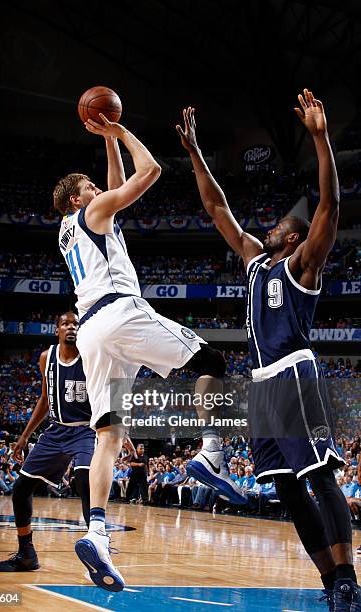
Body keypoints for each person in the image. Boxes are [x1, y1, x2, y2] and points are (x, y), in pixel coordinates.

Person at [177, 89, 360, 609]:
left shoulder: (304, 265)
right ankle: (331, 581)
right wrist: (194, 152)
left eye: (284, 223)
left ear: (297, 236)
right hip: (260, 383)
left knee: (318, 475)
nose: (273, 223)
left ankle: (347, 574)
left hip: (295, 375)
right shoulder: (256, 260)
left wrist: (320, 140)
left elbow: (330, 204)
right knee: (284, 488)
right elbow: (218, 208)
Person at [53, 114, 246, 592]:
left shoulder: (70, 229)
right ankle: (211, 454)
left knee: (108, 435)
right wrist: (119, 131)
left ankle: (96, 531)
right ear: (78, 199)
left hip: (91, 330)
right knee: (211, 362)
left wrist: (107, 145)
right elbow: (152, 171)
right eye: (91, 186)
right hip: (120, 312)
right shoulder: (91, 213)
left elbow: (116, 184)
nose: (100, 188)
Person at [0, 312, 96, 572]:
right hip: (56, 430)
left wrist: (118, 429)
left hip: (86, 430)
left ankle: (99, 551)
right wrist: (25, 435)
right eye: (66, 324)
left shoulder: (94, 355)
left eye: (76, 324)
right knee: (20, 490)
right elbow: (45, 399)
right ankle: (26, 553)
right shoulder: (46, 358)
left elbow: (110, 391)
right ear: (57, 330)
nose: (71, 327)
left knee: (84, 481)